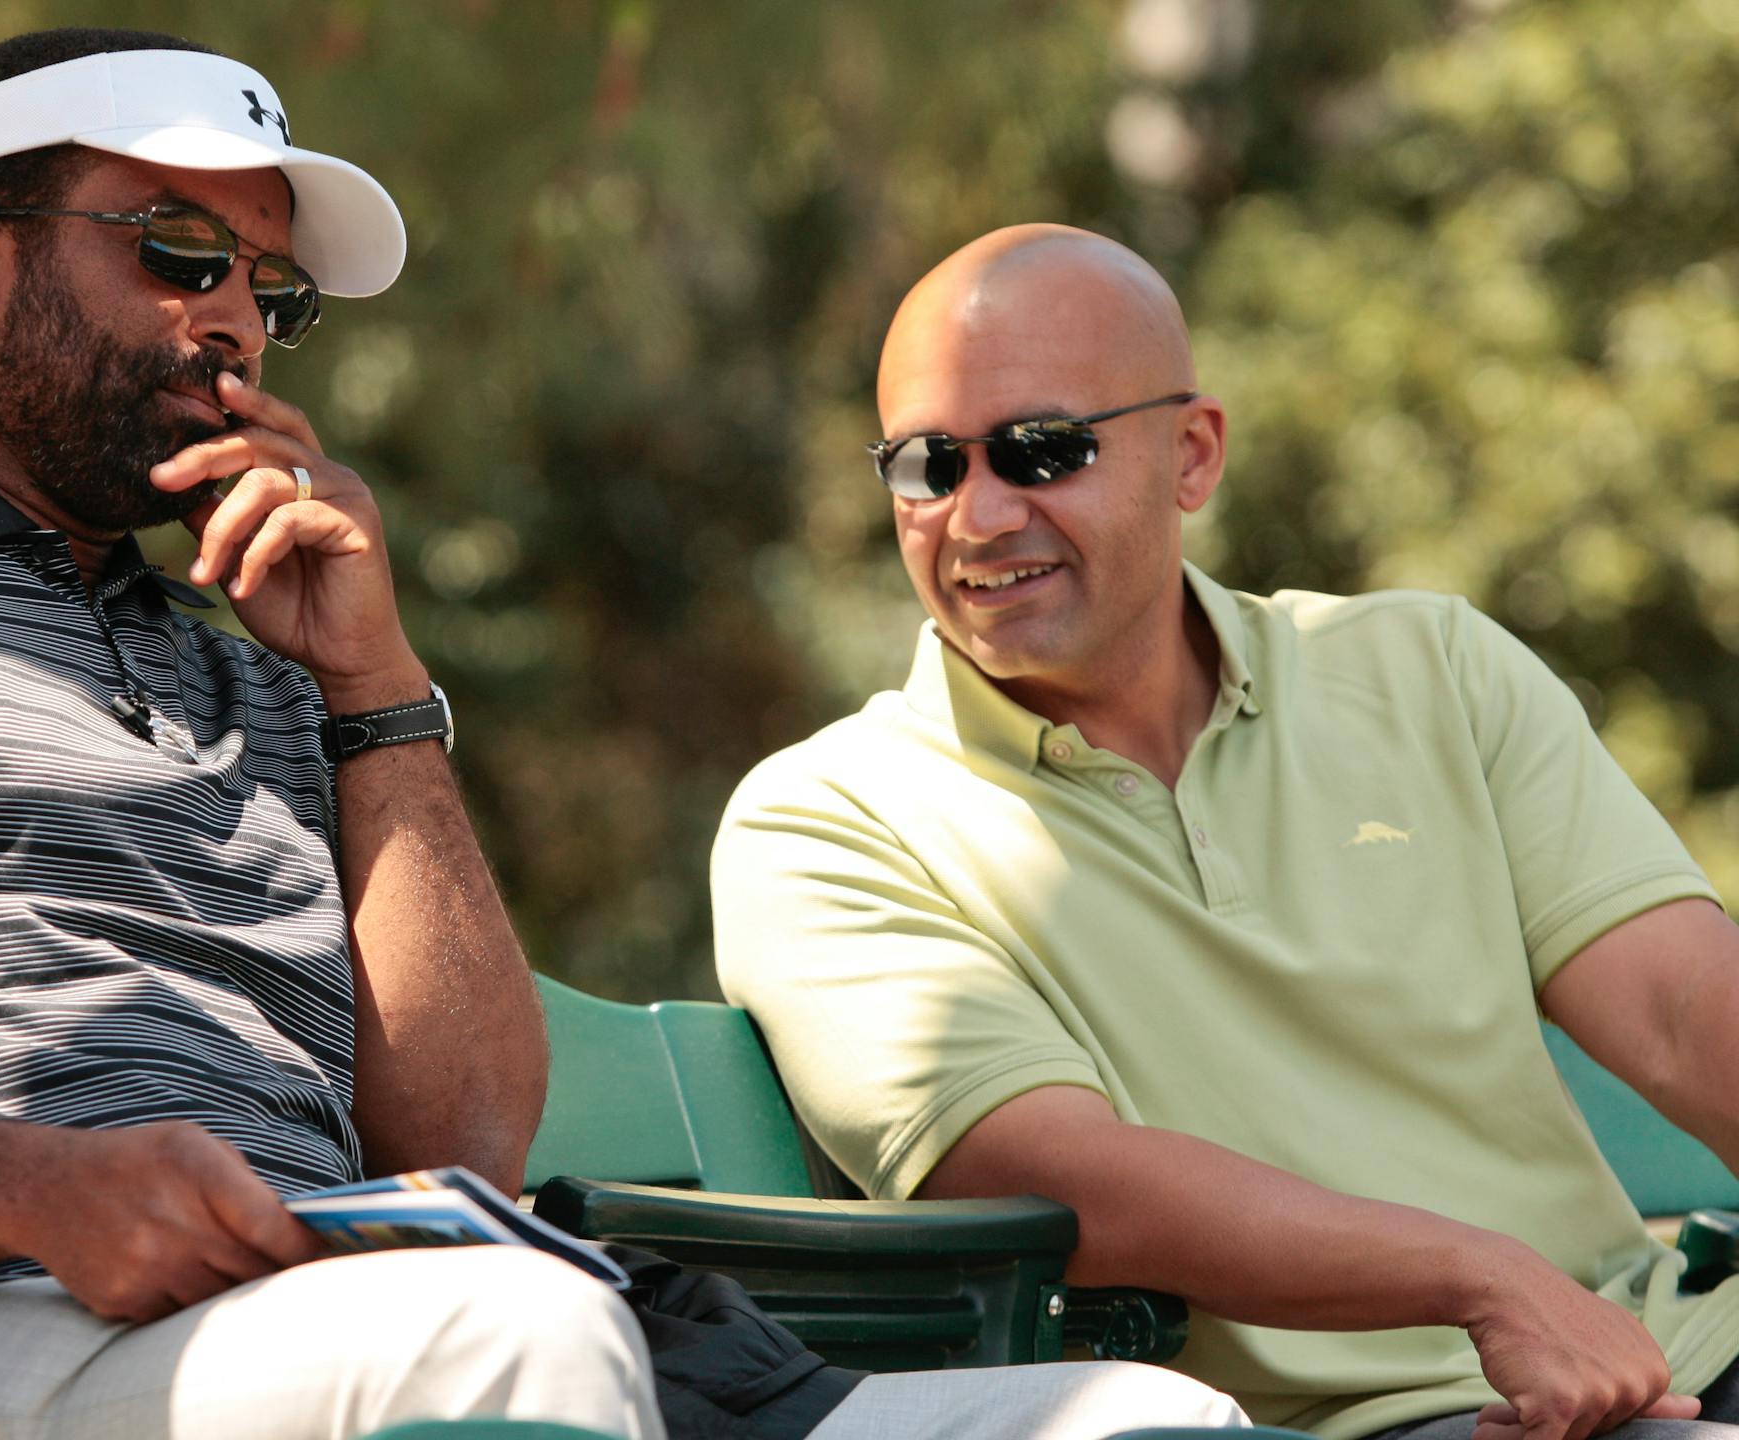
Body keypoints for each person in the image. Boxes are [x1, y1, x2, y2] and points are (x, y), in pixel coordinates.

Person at [0, 32, 1253, 1440]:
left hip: (382, 1311)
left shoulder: (251, 661)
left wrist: (372, 684)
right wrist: (28, 1188)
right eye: (180, 254)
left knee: (1142, 1417)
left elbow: (463, 1141)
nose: (235, 324)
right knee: (509, 1346)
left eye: (271, 291)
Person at [710, 223, 1739, 1440]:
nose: (977, 515)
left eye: (1043, 450)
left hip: (1675, 1356)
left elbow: (1681, 1012)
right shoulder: (826, 825)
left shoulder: (1431, 669)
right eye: (928, 466)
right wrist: (1483, 1279)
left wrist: (1532, 1298)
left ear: (1192, 455)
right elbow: (1064, 1187)